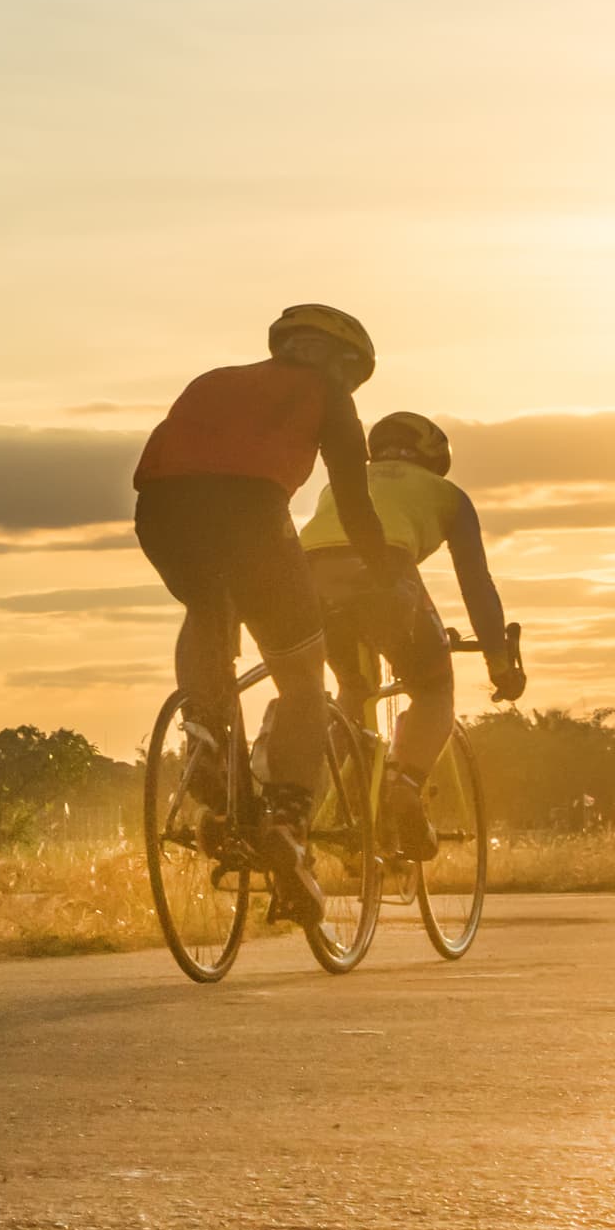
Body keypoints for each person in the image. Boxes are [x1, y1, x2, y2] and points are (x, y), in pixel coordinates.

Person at [131, 304, 397, 933]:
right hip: (251, 514)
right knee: (303, 679)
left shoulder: (214, 379)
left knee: (206, 603)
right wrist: (384, 576)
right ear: (343, 364)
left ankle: (205, 733)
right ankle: (286, 818)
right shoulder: (328, 392)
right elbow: (354, 501)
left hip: (161, 513)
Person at [301, 410, 525, 859]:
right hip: (382, 574)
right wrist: (500, 663)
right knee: (433, 687)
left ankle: (302, 796)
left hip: (306, 576)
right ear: (434, 454)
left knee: (353, 688)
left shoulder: (339, 483)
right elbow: (476, 583)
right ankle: (403, 787)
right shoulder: (447, 494)